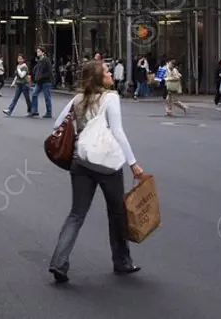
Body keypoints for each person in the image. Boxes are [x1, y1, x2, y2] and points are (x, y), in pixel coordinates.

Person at [48, 60, 144, 283]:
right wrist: (133, 163)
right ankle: (122, 261)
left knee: (76, 214)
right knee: (117, 212)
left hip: (80, 161)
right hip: (107, 163)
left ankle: (58, 262)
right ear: (99, 78)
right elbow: (118, 133)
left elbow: (57, 125)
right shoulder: (110, 98)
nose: (110, 74)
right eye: (107, 71)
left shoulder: (77, 99)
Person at [31, 47, 54, 118]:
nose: (37, 53)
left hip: (46, 81)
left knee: (47, 97)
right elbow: (36, 70)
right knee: (34, 94)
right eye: (37, 51)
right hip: (39, 81)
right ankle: (35, 111)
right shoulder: (39, 60)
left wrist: (41, 77)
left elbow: (50, 72)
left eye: (39, 51)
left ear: (43, 52)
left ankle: (49, 112)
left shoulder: (46, 60)